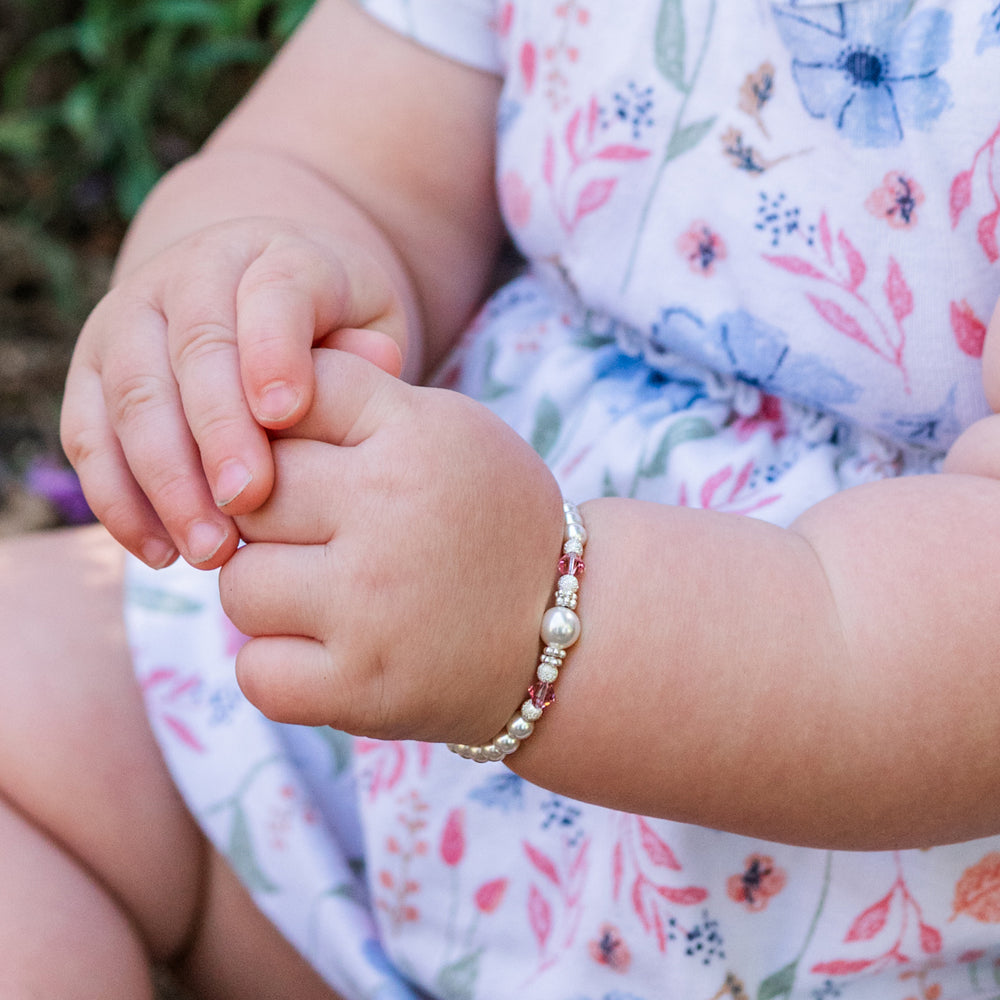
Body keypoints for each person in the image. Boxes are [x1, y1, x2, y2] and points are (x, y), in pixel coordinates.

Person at [3, 0, 1000, 996]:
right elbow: (342, 163)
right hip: (345, 748)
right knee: (28, 705)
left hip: (811, 903)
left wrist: (552, 620)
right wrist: (242, 285)